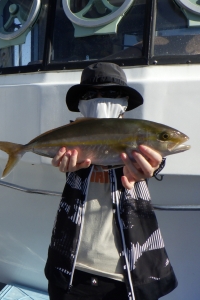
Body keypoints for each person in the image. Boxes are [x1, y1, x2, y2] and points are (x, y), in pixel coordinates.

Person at [44, 62, 178, 300]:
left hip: (131, 273)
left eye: (111, 93)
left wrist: (154, 165)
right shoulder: (72, 137)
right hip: (69, 268)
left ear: (124, 102)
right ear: (81, 104)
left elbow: (153, 161)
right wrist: (64, 165)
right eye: (89, 94)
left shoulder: (138, 138)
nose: (100, 99)